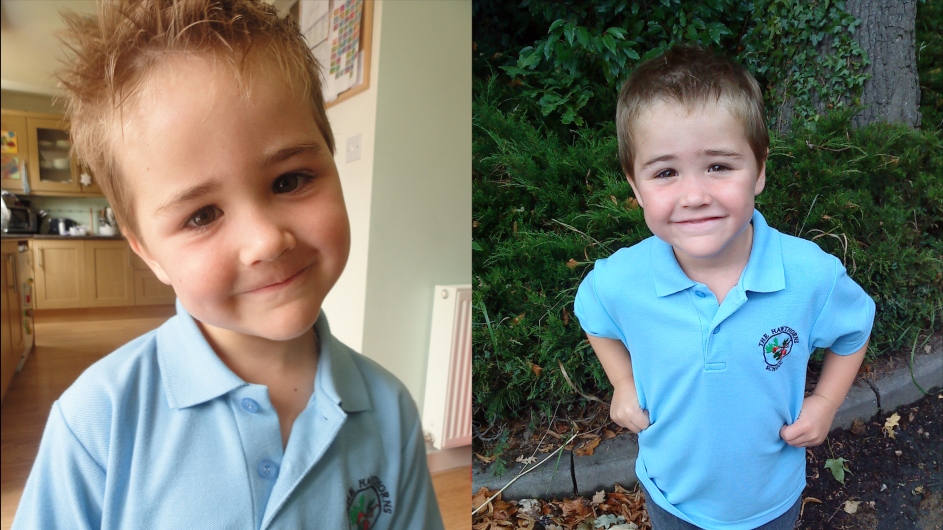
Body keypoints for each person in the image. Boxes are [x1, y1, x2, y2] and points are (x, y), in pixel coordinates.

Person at [12, 1, 444, 528]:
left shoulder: (390, 411)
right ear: (147, 251)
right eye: (202, 215)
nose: (266, 240)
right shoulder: (96, 423)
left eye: (290, 180)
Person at [574, 45, 875, 530]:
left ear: (759, 169)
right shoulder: (620, 279)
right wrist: (623, 383)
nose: (694, 195)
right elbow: (592, 314)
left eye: (718, 165)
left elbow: (854, 329)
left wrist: (824, 403)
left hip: (771, 502)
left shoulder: (809, 274)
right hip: (669, 496)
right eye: (666, 172)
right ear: (635, 186)